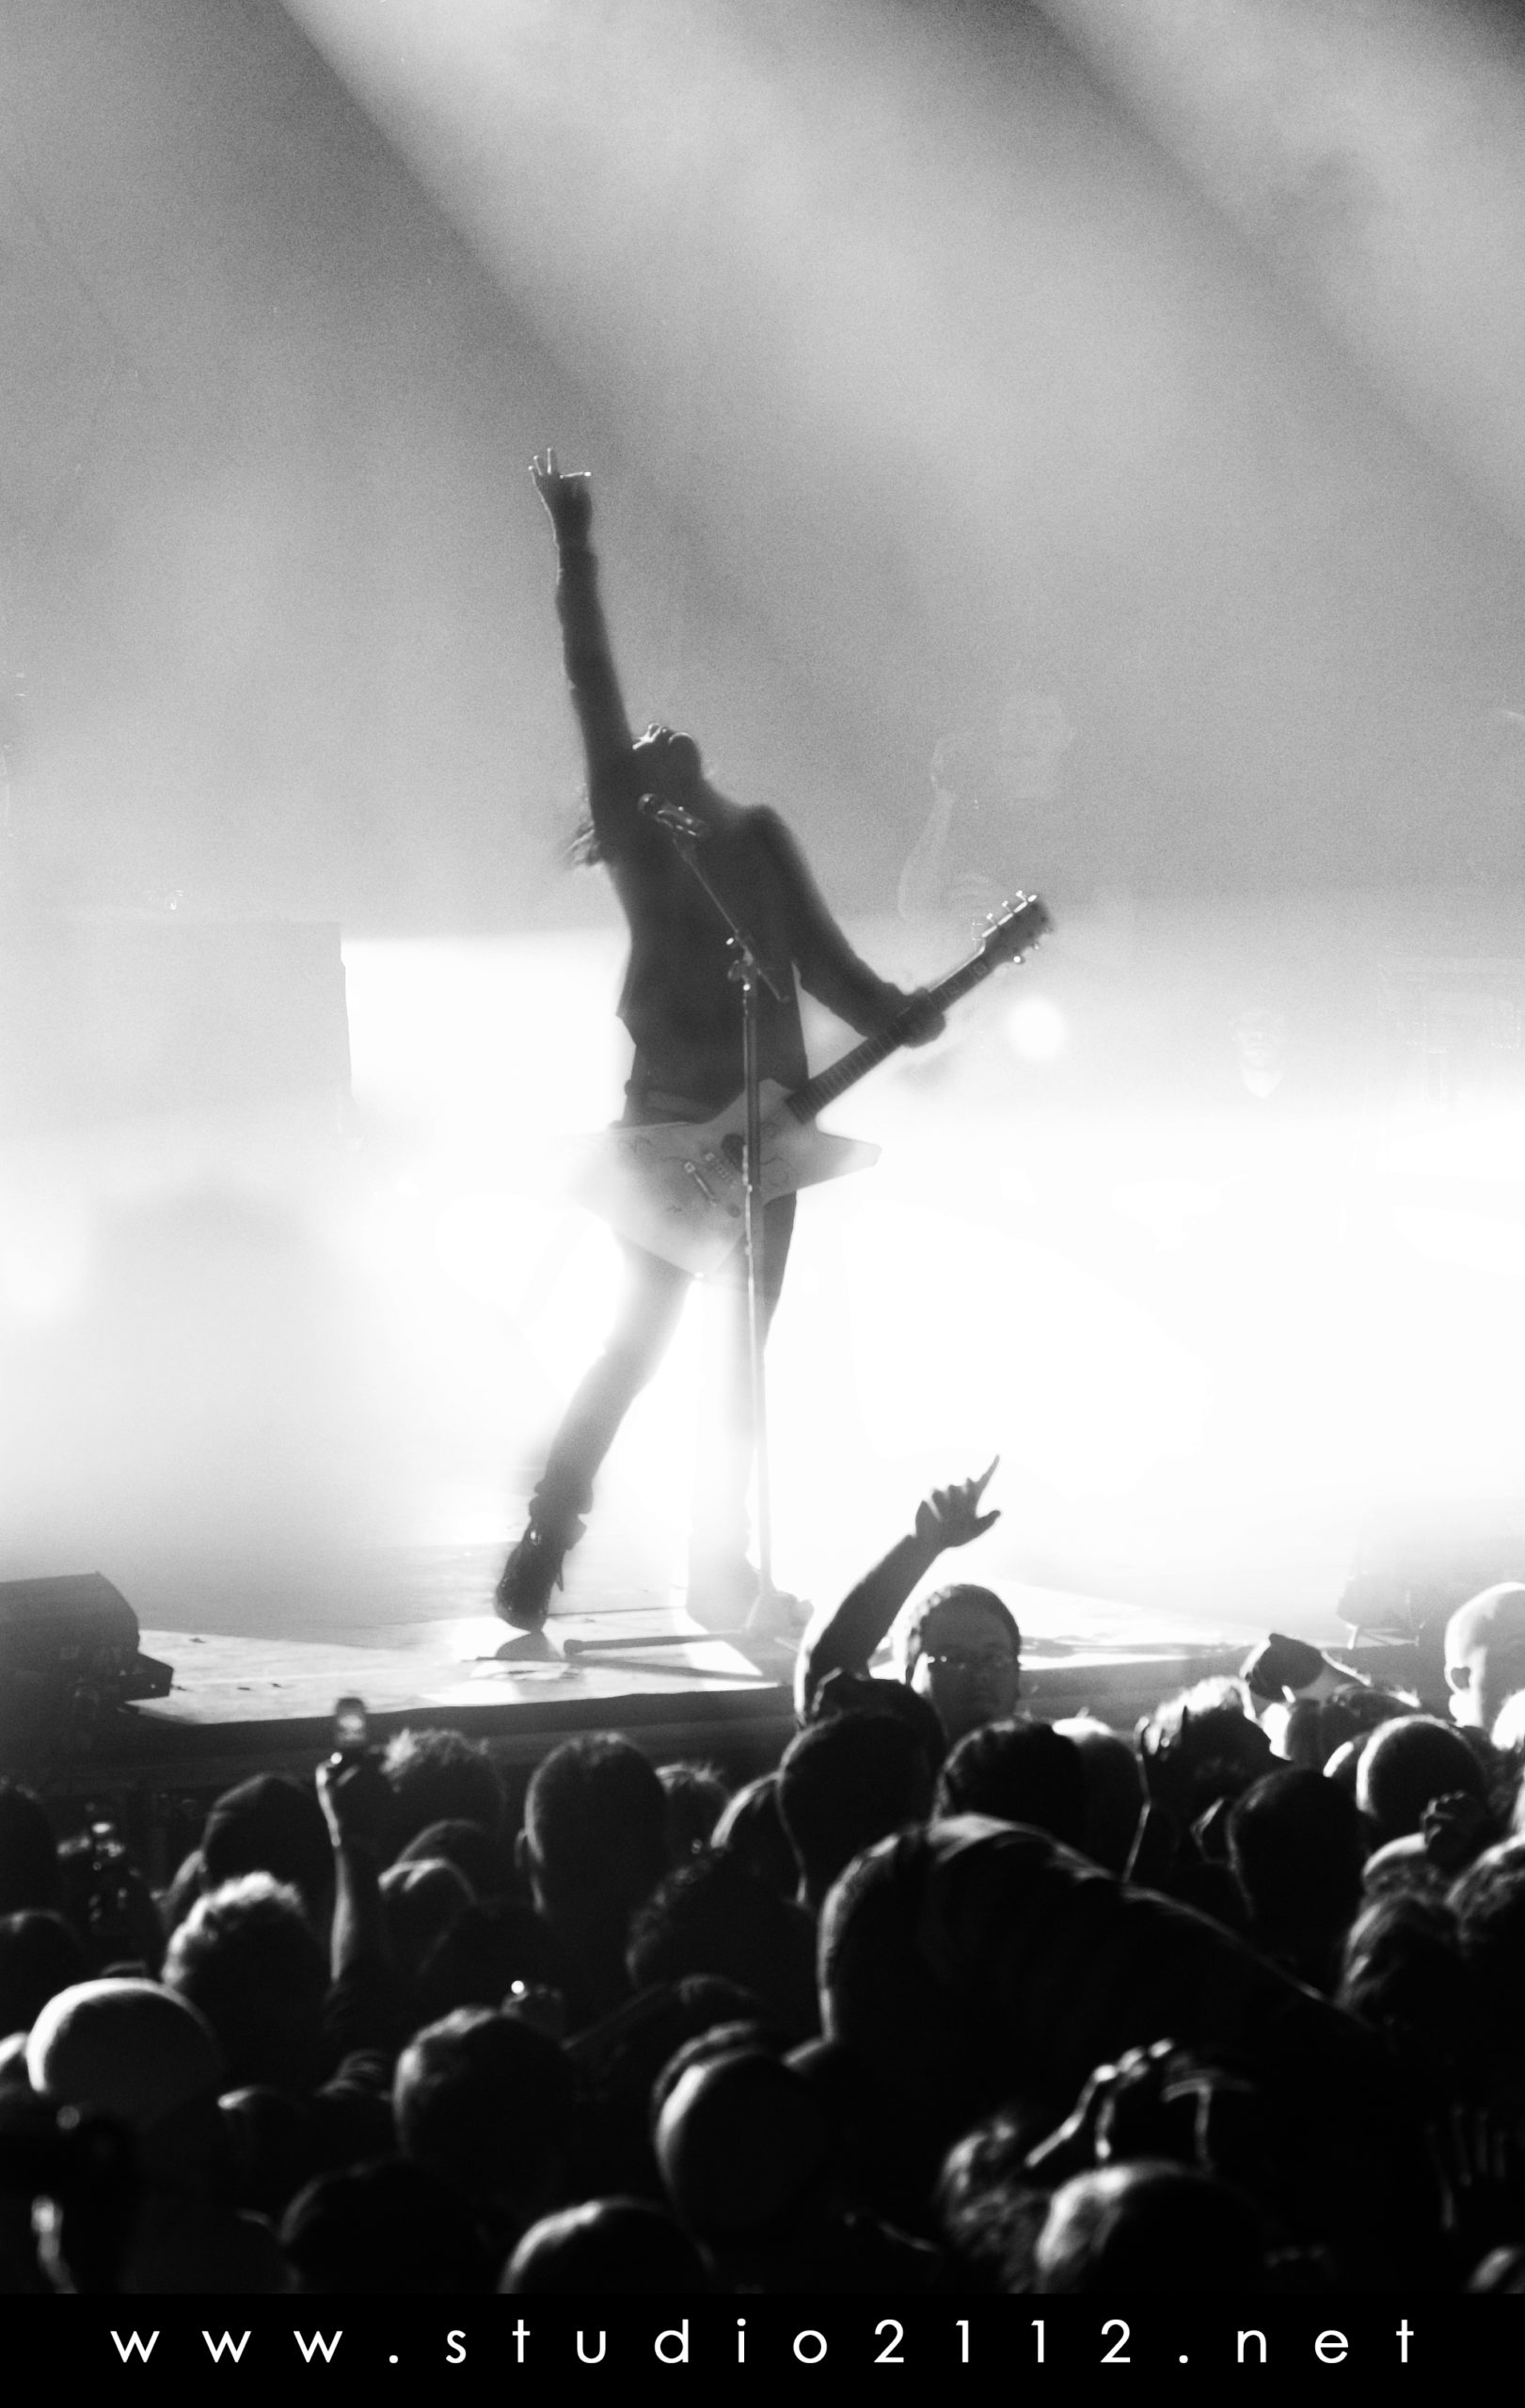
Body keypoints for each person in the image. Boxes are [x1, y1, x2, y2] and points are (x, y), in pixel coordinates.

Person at [496, 453, 943, 1636]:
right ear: (637, 785)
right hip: (667, 1131)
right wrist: (574, 541)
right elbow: (591, 679)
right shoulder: (648, 846)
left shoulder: (753, 839)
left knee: (738, 1363)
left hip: (769, 1139)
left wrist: (897, 1010)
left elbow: (825, 962)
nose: (662, 735)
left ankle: (716, 1566)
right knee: (638, 1343)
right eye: (644, 747)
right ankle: (548, 1531)